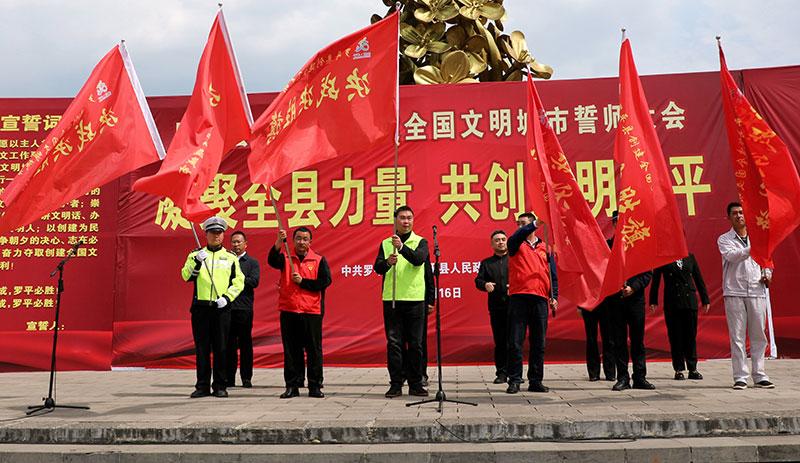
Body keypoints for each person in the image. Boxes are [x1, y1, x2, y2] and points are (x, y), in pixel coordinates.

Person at [181, 216, 244, 399]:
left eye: (219, 233)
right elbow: (185, 276)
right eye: (212, 233)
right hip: (201, 308)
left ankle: (220, 385)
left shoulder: (230, 257)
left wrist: (227, 297)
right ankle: (202, 386)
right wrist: (197, 262)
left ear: (223, 235)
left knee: (221, 347)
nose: (216, 236)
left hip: (221, 307)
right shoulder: (195, 255)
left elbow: (238, 282)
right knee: (202, 348)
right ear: (206, 234)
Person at [268, 226, 332, 399]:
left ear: (310, 242)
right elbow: (272, 260)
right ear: (293, 240)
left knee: (314, 350)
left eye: (305, 239)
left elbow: (325, 281)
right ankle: (292, 385)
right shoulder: (286, 257)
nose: (301, 242)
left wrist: (303, 282)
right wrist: (279, 242)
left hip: (311, 311)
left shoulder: (318, 260)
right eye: (298, 238)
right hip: (289, 310)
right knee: (291, 350)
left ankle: (315, 386)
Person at [717, 202, 775, 390]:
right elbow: (733, 256)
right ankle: (740, 376)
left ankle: (759, 375)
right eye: (734, 213)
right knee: (737, 336)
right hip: (734, 290)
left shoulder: (758, 237)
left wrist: (767, 274)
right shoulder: (724, 239)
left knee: (759, 335)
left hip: (757, 290)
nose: (739, 216)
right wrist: (753, 247)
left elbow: (767, 260)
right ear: (729, 217)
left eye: (742, 212)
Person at [374, 205, 430, 398]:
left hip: (415, 299)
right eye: (402, 218)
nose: (406, 221)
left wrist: (402, 248)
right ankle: (396, 383)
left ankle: (416, 383)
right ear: (395, 220)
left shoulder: (420, 241)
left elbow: (418, 260)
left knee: (415, 344)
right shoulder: (385, 243)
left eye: (409, 218)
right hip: (392, 299)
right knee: (394, 344)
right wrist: (387, 262)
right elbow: (378, 268)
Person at [505, 212, 558, 394]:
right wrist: (535, 223)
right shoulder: (514, 244)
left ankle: (535, 380)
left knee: (538, 343)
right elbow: (519, 235)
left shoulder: (545, 247)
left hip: (540, 299)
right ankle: (514, 380)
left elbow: (552, 274)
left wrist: (554, 296)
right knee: (515, 341)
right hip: (519, 297)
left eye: (523, 223)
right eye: (518, 223)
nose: (520, 227)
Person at [608, 212, 655, 391]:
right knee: (618, 341)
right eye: (617, 222)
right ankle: (622, 378)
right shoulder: (608, 246)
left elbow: (647, 273)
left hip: (635, 300)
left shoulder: (639, 245)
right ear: (613, 225)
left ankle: (640, 377)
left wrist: (633, 287)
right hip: (616, 301)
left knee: (637, 340)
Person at [649, 253, 709, 380]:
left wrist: (705, 299)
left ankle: (693, 368)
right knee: (676, 336)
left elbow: (698, 278)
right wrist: (653, 300)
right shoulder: (663, 258)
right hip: (673, 302)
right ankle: (679, 369)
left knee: (690, 336)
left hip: (689, 301)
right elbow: (656, 279)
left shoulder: (690, 256)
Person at [225, 231, 261, 389]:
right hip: (227, 307)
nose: (236, 245)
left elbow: (254, 282)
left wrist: (238, 278)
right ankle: (229, 378)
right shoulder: (225, 261)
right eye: (233, 242)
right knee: (229, 345)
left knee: (245, 344)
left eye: (239, 242)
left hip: (244, 308)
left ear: (245, 244)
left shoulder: (252, 263)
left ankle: (246, 378)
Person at [475, 230, 510, 384]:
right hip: (496, 307)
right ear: (492, 244)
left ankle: (516, 373)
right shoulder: (487, 263)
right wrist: (485, 285)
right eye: (497, 240)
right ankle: (501, 373)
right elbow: (478, 280)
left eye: (503, 239)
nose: (500, 242)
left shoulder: (516, 259)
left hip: (515, 306)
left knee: (515, 341)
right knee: (500, 341)